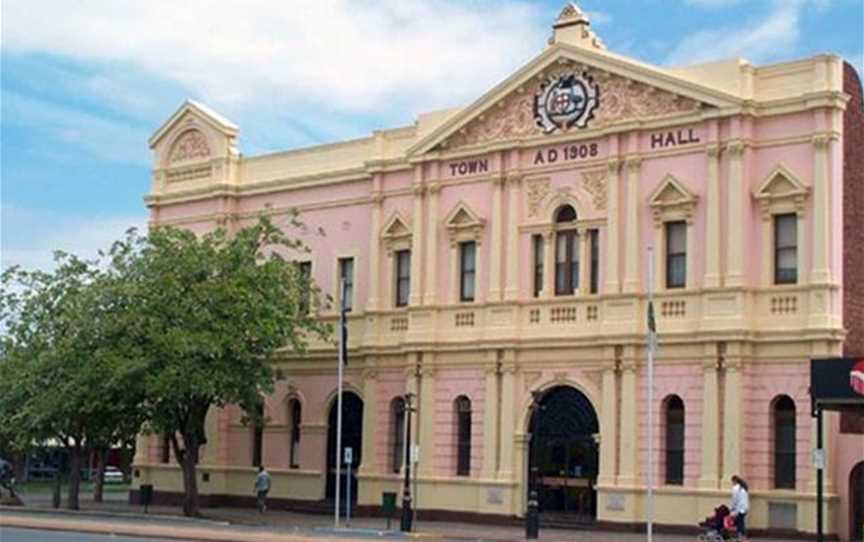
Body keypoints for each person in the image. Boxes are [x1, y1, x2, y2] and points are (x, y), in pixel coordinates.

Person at [730, 474, 750, 540]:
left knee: (739, 522)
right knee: (741, 521)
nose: (732, 483)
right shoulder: (743, 487)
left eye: (732, 482)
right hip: (745, 507)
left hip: (740, 508)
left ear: (735, 481)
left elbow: (734, 499)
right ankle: (742, 535)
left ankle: (741, 536)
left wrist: (732, 507)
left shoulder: (735, 488)